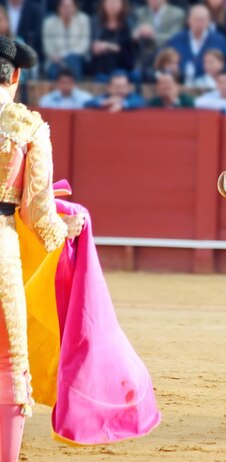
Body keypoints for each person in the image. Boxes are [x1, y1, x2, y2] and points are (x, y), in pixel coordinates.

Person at [0, 35, 84, 462]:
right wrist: (63, 230)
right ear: (14, 76)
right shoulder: (25, 125)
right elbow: (36, 209)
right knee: (7, 357)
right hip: (1, 248)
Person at [166, 4, 226, 86]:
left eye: (203, 20)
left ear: (209, 21)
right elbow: (166, 61)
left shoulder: (219, 41)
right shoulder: (177, 40)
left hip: (211, 87)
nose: (199, 23)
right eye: (196, 19)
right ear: (189, 20)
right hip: (181, 86)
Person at [133, 0, 185, 79]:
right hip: (144, 57)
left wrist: (152, 35)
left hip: (166, 55)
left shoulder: (177, 13)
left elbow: (175, 35)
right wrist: (139, 32)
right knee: (136, 75)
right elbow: (133, 33)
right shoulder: (140, 12)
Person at [42, 0, 90, 81]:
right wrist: (56, 57)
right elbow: (48, 47)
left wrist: (66, 56)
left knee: (73, 60)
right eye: (64, 6)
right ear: (59, 8)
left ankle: (74, 88)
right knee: (55, 70)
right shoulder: (49, 23)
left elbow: (84, 45)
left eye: (70, 6)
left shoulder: (83, 20)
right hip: (56, 60)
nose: (67, 9)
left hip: (77, 58)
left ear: (75, 8)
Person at [89, 0, 135, 81]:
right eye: (109, 2)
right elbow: (93, 44)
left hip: (122, 65)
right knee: (100, 77)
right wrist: (95, 47)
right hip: (101, 67)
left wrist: (107, 46)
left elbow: (126, 47)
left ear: (122, 4)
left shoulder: (128, 23)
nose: (112, 5)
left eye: (115, 2)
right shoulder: (95, 22)